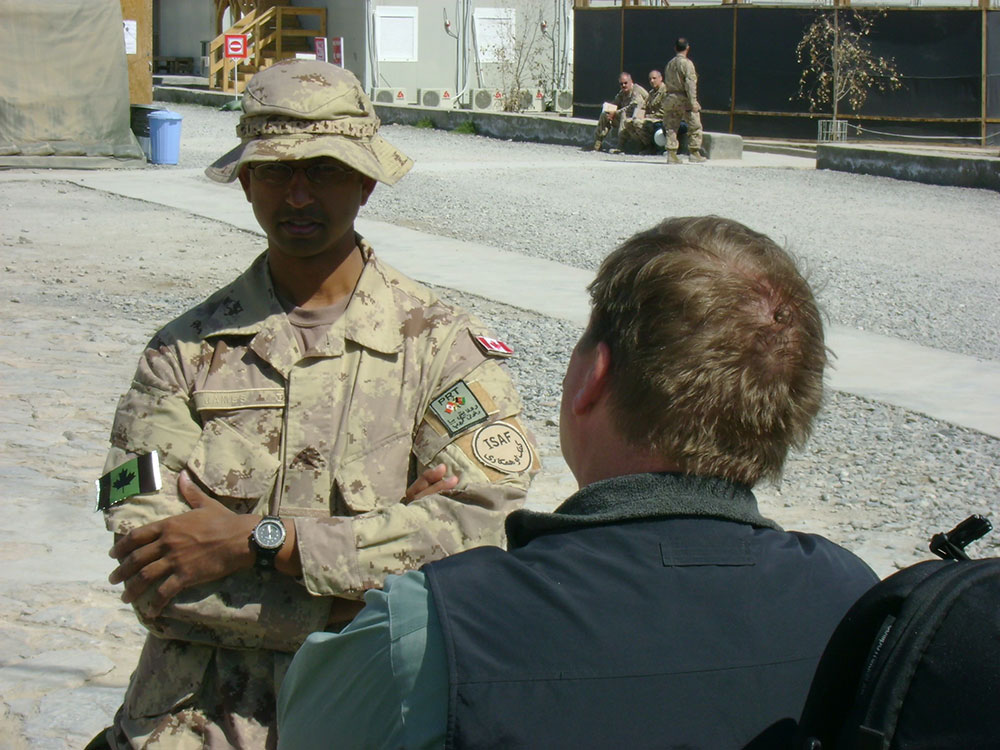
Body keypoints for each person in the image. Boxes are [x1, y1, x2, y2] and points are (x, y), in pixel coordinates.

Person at [276, 216, 880, 749]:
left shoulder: (439, 626)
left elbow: (315, 725)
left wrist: (380, 576)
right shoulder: (858, 600)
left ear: (594, 374)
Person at [94, 59, 536, 749]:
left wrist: (257, 542)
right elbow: (157, 583)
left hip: (375, 722)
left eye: (325, 169)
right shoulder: (182, 353)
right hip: (192, 725)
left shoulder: (441, 349)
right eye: (274, 171)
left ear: (365, 181)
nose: (298, 194)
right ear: (245, 181)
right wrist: (375, 578)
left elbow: (484, 538)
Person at [663, 37, 706, 164]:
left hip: (671, 97)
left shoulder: (670, 64)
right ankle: (694, 152)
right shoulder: (687, 64)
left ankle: (671, 154)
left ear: (675, 48)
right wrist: (693, 102)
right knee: (695, 125)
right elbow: (690, 84)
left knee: (671, 126)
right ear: (687, 48)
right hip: (684, 98)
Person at [592, 71, 647, 152]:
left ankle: (620, 146)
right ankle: (597, 143)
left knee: (623, 114)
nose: (623, 85)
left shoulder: (636, 91)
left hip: (638, 119)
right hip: (627, 119)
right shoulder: (622, 93)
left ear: (631, 82)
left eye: (625, 83)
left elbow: (632, 108)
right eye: (621, 84)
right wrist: (609, 111)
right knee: (605, 114)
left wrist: (615, 113)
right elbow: (615, 104)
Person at [620, 69, 668, 153]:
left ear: (660, 78)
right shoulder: (652, 93)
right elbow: (644, 106)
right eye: (650, 79)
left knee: (637, 123)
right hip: (651, 118)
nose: (652, 81)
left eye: (654, 78)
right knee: (628, 122)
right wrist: (638, 114)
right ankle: (643, 145)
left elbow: (663, 112)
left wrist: (645, 117)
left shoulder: (665, 92)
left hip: (661, 119)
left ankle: (650, 147)